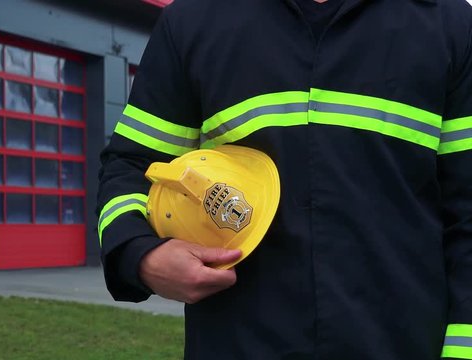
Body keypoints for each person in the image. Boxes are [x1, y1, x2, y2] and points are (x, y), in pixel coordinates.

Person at [96, 0, 472, 358]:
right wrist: (141, 255)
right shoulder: (193, 22)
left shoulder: (450, 25)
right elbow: (132, 165)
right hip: (238, 346)